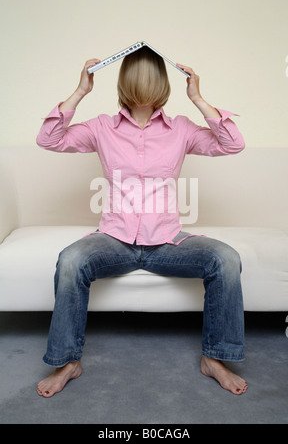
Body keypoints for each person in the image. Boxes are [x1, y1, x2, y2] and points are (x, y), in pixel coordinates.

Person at [36, 47, 247, 398]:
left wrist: (197, 98)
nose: (144, 85)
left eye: (151, 78)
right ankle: (67, 362)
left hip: (166, 242)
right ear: (125, 82)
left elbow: (232, 144)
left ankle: (216, 357)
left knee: (225, 258)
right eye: (138, 77)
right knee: (71, 260)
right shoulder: (102, 127)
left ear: (163, 84)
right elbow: (49, 139)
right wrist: (80, 92)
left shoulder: (180, 129)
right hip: (114, 240)